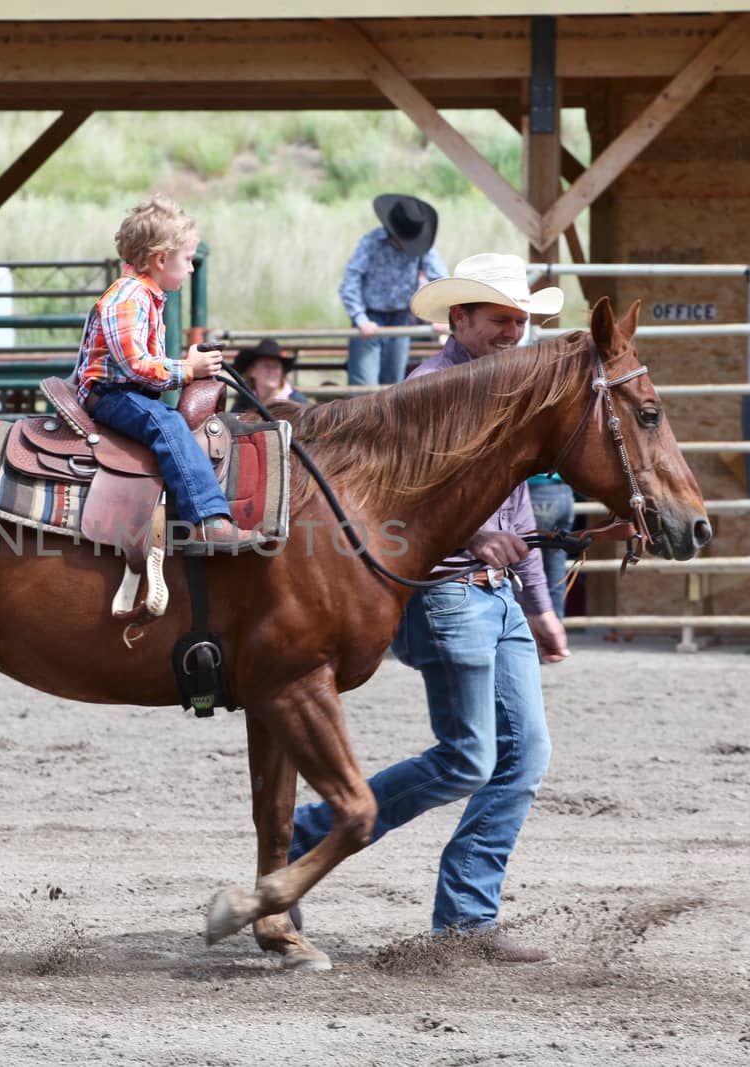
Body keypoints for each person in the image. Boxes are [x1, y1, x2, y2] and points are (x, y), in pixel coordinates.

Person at [290, 252, 569, 962]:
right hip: (444, 590)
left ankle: (468, 918)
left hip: (498, 596)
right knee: (467, 757)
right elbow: (397, 501)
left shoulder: (511, 395)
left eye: (522, 322)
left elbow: (518, 506)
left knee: (522, 754)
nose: (514, 333)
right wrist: (474, 535)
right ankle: (312, 833)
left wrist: (538, 605)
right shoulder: (428, 390)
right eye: (500, 320)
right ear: (460, 320)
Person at [73, 195, 262, 551]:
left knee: (167, 420)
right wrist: (189, 369)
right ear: (161, 259)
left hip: (125, 390)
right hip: (110, 394)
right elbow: (135, 366)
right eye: (188, 259)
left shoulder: (145, 296)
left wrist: (184, 364)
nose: (191, 269)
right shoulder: (128, 298)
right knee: (168, 425)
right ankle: (207, 518)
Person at [338, 194, 448, 387]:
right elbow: (351, 280)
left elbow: (440, 279)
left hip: (401, 318)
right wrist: (361, 318)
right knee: (364, 386)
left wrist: (440, 315)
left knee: (394, 386)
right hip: (371, 317)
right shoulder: (371, 242)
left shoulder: (422, 246)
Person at [526, 473, 576, 617]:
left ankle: (530, 628)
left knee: (524, 562)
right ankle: (555, 625)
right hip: (564, 492)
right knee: (557, 568)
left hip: (534, 488)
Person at [230, 338, 308, 411]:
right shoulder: (244, 402)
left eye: (276, 366)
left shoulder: (297, 403)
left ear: (282, 372)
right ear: (252, 371)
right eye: (266, 365)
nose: (271, 371)